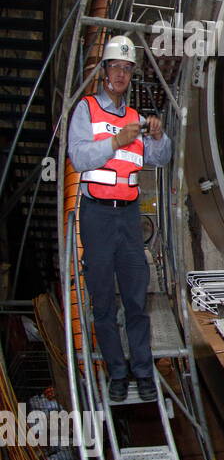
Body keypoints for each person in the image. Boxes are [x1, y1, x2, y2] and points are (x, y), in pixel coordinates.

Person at [67, 35, 171, 404]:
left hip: (129, 217)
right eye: (117, 67)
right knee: (103, 302)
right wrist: (115, 142)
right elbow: (78, 158)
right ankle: (116, 371)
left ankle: (142, 370)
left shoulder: (136, 119)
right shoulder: (87, 110)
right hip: (96, 215)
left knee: (135, 298)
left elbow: (160, 158)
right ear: (104, 71)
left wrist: (157, 136)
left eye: (128, 69)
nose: (122, 74)